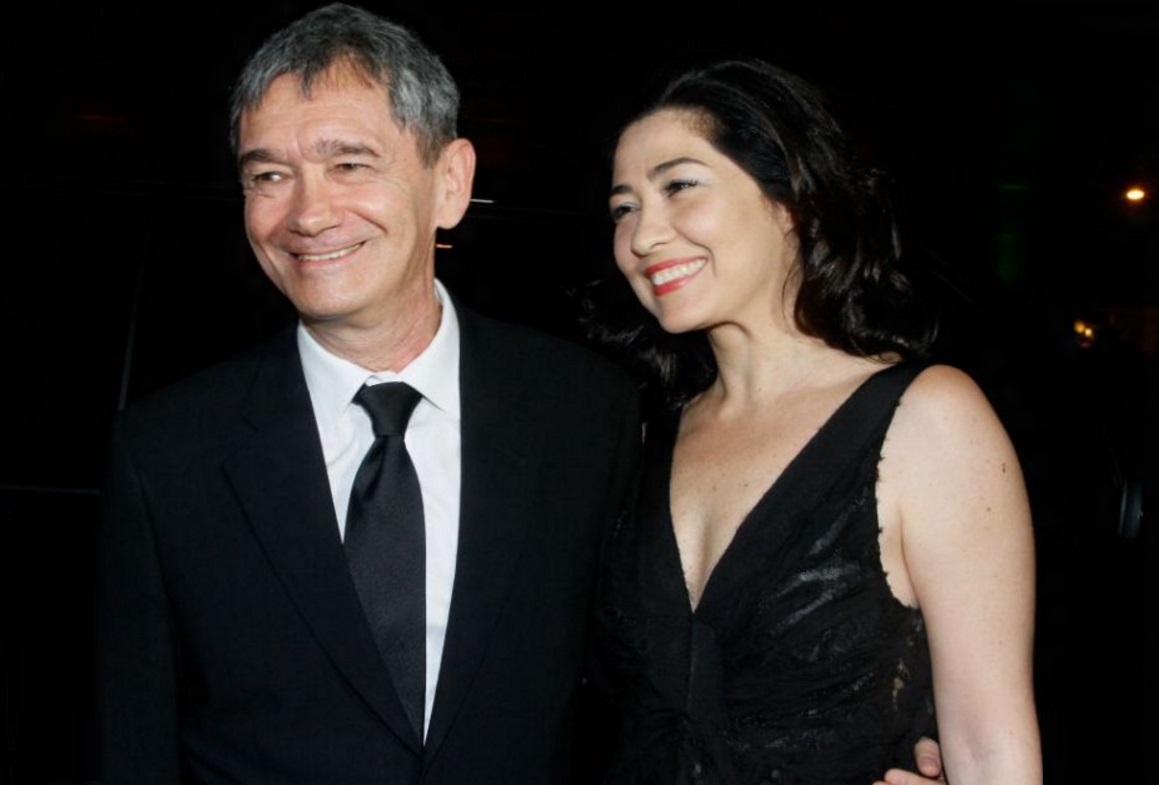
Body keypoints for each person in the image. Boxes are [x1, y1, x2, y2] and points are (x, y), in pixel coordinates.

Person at [96, 5, 640, 783]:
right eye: (268, 176)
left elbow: (629, 703)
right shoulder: (165, 452)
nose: (307, 214)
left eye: (349, 164)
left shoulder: (587, 414)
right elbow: (130, 741)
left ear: (450, 182)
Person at [592, 59, 1042, 784]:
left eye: (679, 186)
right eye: (623, 208)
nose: (643, 235)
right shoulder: (641, 430)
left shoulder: (926, 419)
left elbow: (991, 744)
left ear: (791, 203)